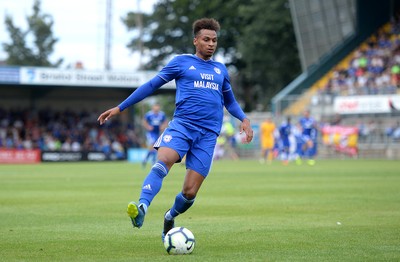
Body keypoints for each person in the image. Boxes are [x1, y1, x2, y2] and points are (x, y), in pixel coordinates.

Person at [97, 18, 253, 241]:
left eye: (214, 40)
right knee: (163, 162)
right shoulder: (181, 63)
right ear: (195, 41)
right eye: (206, 39)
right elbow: (151, 85)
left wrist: (244, 118)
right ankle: (142, 207)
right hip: (182, 126)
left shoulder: (221, 69)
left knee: (189, 192)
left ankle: (169, 217)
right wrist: (121, 107)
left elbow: (230, 101)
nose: (211, 44)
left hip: (208, 135)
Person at [141, 103, 167, 168]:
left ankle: (145, 160)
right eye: (155, 107)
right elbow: (144, 121)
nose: (156, 108)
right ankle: (153, 161)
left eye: (158, 107)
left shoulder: (162, 114)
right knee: (153, 145)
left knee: (154, 147)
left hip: (158, 132)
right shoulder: (149, 114)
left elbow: (165, 122)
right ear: (153, 107)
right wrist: (148, 127)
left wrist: (163, 127)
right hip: (151, 133)